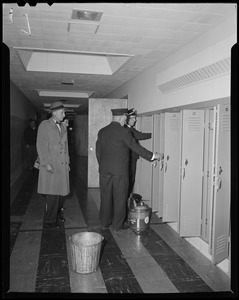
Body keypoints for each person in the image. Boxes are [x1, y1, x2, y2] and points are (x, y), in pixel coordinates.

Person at [95, 108, 163, 232]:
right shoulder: (123, 132)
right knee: (120, 198)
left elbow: (98, 152)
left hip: (104, 171)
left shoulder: (102, 131)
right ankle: (117, 225)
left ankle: (104, 223)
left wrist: (103, 165)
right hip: (120, 172)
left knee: (105, 197)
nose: (125, 120)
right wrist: (153, 156)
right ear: (122, 117)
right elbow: (136, 147)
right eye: (125, 118)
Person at [36, 101, 70, 228]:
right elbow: (41, 145)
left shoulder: (62, 126)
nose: (64, 114)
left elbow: (66, 146)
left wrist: (68, 161)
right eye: (62, 112)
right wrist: (46, 163)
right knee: (53, 195)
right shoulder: (44, 125)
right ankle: (50, 220)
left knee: (61, 194)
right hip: (52, 165)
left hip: (62, 165)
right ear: (54, 112)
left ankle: (58, 214)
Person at [125, 108, 152, 196]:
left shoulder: (130, 129)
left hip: (132, 158)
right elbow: (139, 135)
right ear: (127, 119)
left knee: (131, 180)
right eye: (133, 118)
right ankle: (126, 201)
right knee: (130, 180)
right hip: (130, 159)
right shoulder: (127, 130)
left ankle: (128, 200)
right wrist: (153, 133)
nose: (135, 120)